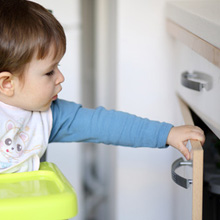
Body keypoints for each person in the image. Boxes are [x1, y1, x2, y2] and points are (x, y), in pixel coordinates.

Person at [0, 0, 205, 173]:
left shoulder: (51, 116)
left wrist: (166, 134)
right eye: (49, 72)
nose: (61, 78)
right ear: (7, 83)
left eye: (58, 67)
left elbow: (106, 125)